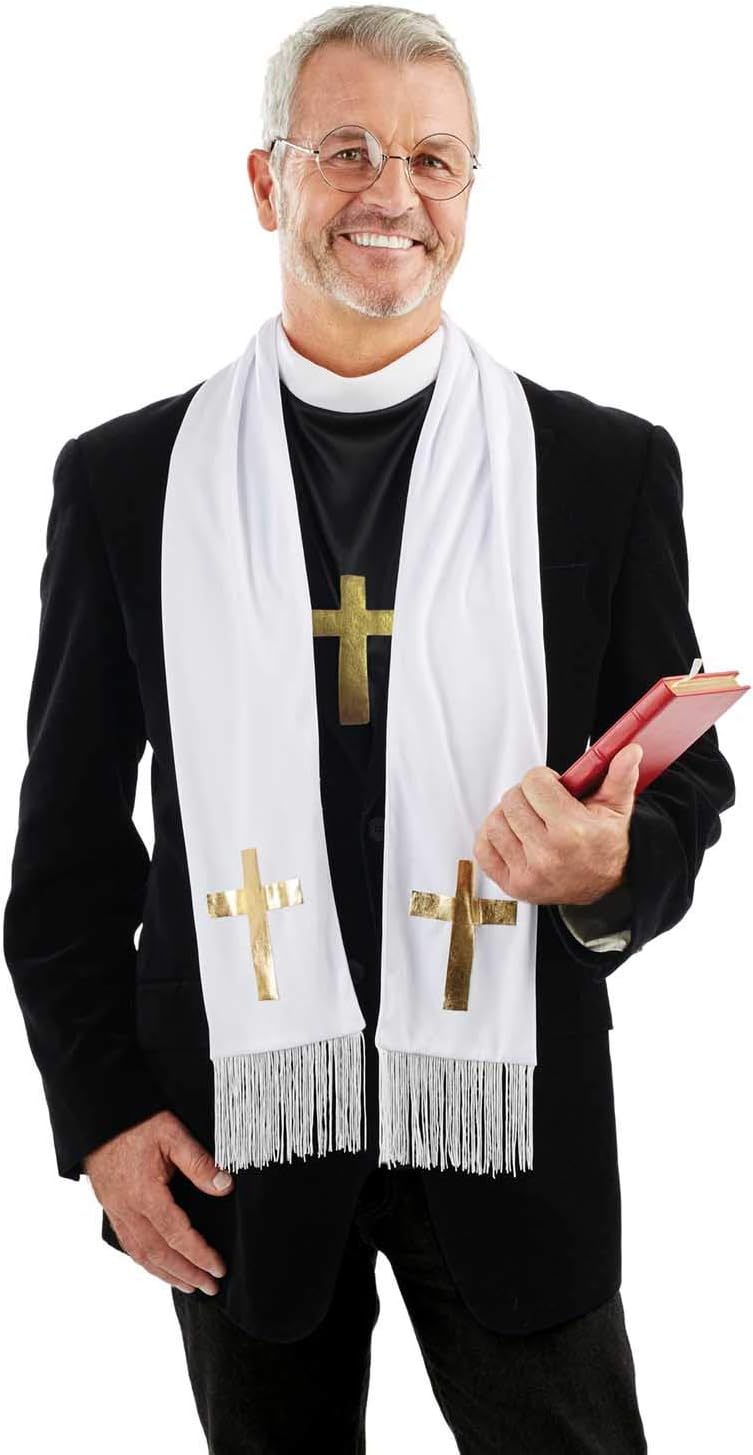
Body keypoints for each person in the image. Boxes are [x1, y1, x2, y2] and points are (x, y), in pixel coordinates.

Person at [3, 6, 737, 1452]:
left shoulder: (602, 469)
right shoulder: (128, 482)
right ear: (266, 180)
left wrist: (609, 866)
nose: (391, 193)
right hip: (235, 1129)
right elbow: (68, 845)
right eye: (345, 151)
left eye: (432, 159)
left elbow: (683, 789)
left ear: (469, 191)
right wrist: (99, 1119)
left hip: (512, 1123)